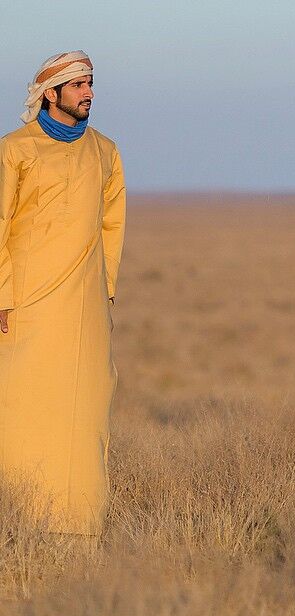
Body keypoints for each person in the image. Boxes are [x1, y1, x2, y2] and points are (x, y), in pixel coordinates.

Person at [0, 51, 126, 537]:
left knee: (84, 415)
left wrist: (106, 292)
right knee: (19, 412)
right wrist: (4, 297)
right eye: (77, 86)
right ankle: (19, 523)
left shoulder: (105, 151)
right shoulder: (16, 150)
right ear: (50, 94)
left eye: (90, 83)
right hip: (24, 306)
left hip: (86, 308)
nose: (88, 93)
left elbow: (113, 226)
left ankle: (79, 530)